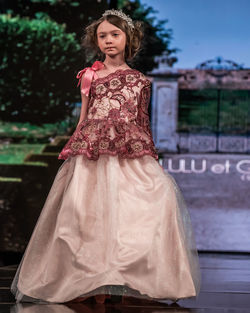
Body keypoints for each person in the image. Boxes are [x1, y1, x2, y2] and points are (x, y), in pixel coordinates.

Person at [10, 9, 201, 305]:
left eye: (115, 34)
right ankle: (92, 278)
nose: (109, 40)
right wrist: (73, 147)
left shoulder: (140, 81)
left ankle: (125, 276)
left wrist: (150, 157)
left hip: (128, 154)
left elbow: (141, 121)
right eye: (102, 36)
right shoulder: (90, 75)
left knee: (145, 203)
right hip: (93, 153)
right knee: (86, 214)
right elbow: (84, 117)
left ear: (128, 39)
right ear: (96, 41)